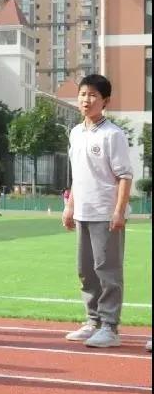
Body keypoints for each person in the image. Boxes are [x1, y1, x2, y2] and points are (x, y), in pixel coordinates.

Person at [62, 74, 133, 349]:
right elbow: (78, 176)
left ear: (105, 101)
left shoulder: (112, 134)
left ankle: (110, 326)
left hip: (106, 212)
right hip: (83, 211)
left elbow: (125, 176)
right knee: (86, 271)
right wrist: (70, 206)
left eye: (93, 95)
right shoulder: (76, 133)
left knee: (108, 270)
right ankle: (92, 321)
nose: (86, 100)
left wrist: (119, 211)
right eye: (83, 94)